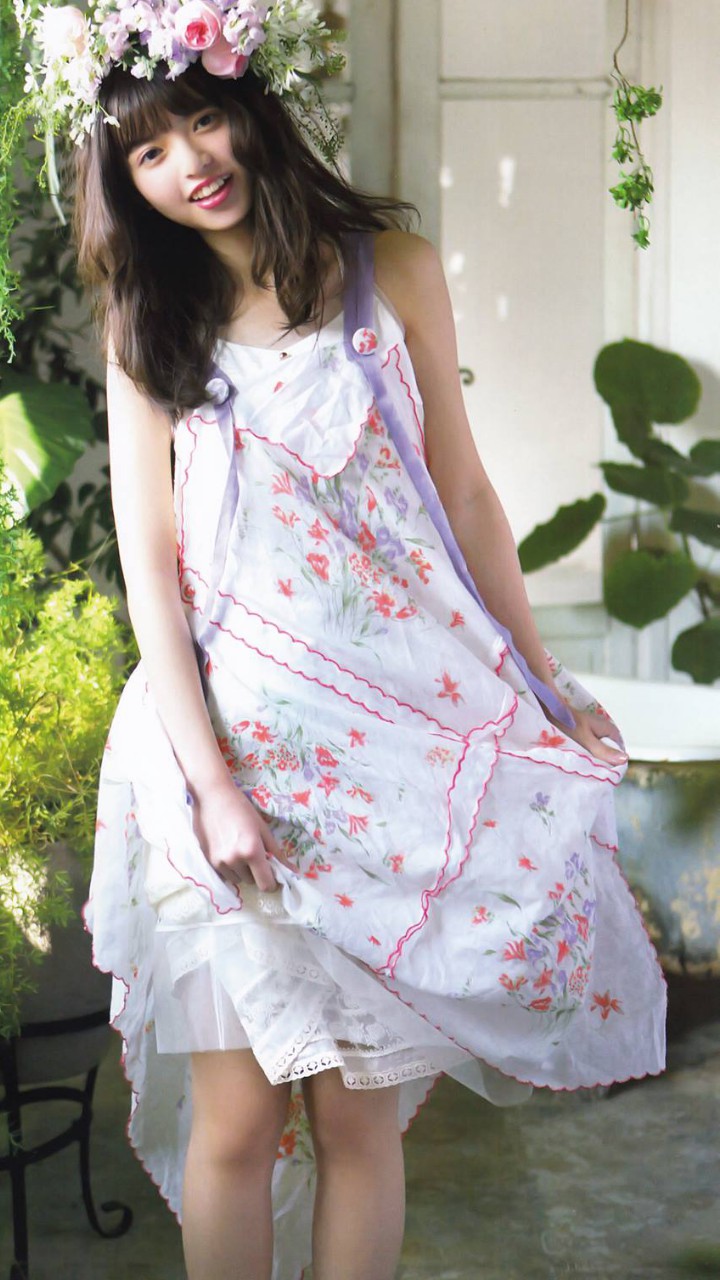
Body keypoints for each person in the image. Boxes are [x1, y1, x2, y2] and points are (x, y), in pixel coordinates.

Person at [15, 3, 666, 1278]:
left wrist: (541, 676)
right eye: (148, 151)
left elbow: (464, 494)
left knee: (359, 1118)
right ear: (124, 180)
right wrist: (211, 785)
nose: (189, 162)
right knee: (239, 1123)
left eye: (202, 120)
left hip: (388, 754)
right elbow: (153, 571)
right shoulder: (149, 321)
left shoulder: (394, 269)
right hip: (232, 757)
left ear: (249, 107)